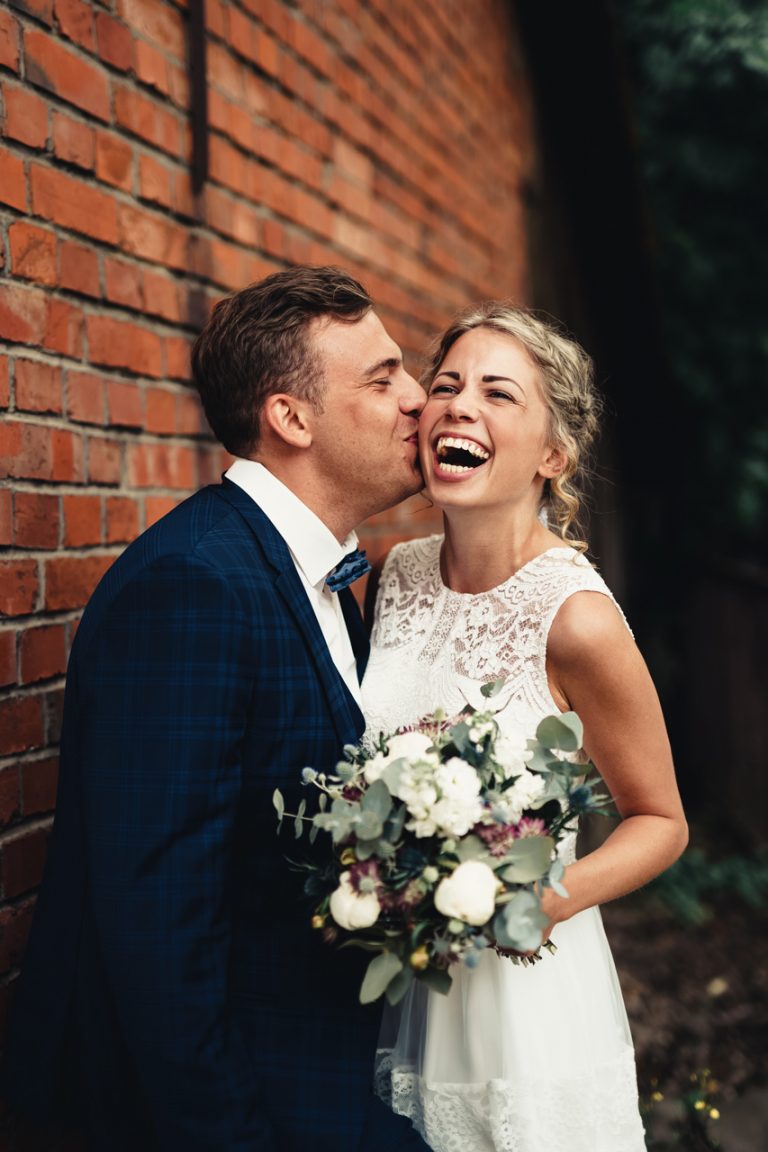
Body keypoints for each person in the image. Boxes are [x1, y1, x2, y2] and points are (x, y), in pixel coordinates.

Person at [5, 266, 430, 1151]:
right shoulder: (193, 586)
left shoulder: (325, 576)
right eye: (382, 377)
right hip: (233, 1105)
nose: (418, 400)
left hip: (323, 1073)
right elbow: (160, 930)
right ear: (291, 418)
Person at [361, 302, 688, 1152]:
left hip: (523, 997)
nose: (460, 406)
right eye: (447, 385)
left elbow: (660, 820)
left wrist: (543, 901)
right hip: (398, 985)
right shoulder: (393, 576)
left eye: (498, 393)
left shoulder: (576, 619)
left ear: (554, 453)